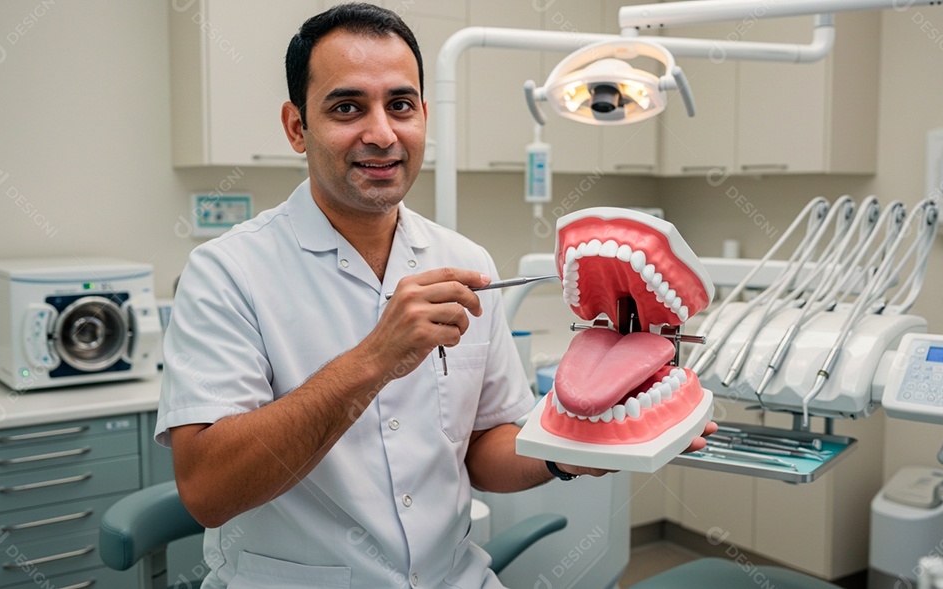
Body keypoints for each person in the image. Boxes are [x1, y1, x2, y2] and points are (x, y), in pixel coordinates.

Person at [156, 4, 713, 588]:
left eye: (400, 105)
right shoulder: (227, 272)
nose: (381, 133)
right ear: (297, 127)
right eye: (347, 107)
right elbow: (209, 493)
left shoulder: (468, 264)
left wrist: (571, 451)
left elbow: (483, 448)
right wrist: (373, 360)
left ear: (424, 114)